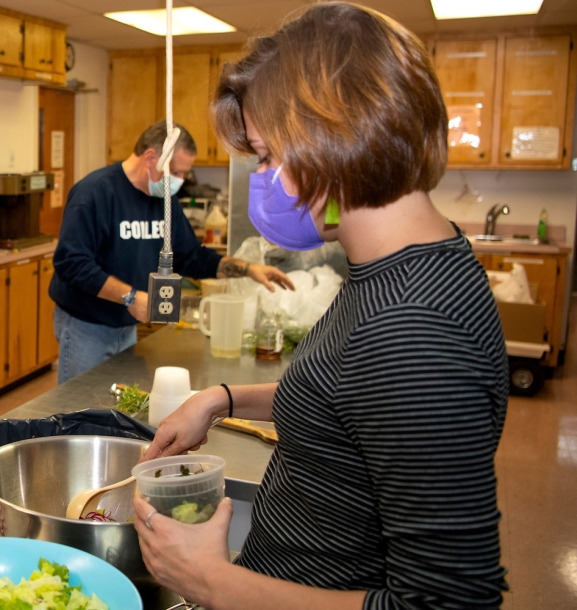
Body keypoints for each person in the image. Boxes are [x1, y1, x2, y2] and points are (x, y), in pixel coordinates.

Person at [134, 4, 509, 609]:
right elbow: (350, 400)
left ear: (331, 142)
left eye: (265, 156)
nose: (260, 179)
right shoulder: (397, 268)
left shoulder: (415, 330)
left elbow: (449, 604)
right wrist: (223, 398)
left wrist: (212, 582)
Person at [48, 121, 293, 383]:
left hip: (126, 326)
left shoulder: (164, 201)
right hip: (86, 327)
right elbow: (71, 263)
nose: (180, 181)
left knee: (113, 409)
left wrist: (247, 269)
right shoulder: (95, 193)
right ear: (152, 157)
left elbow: (190, 256)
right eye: (176, 172)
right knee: (79, 411)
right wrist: (130, 297)